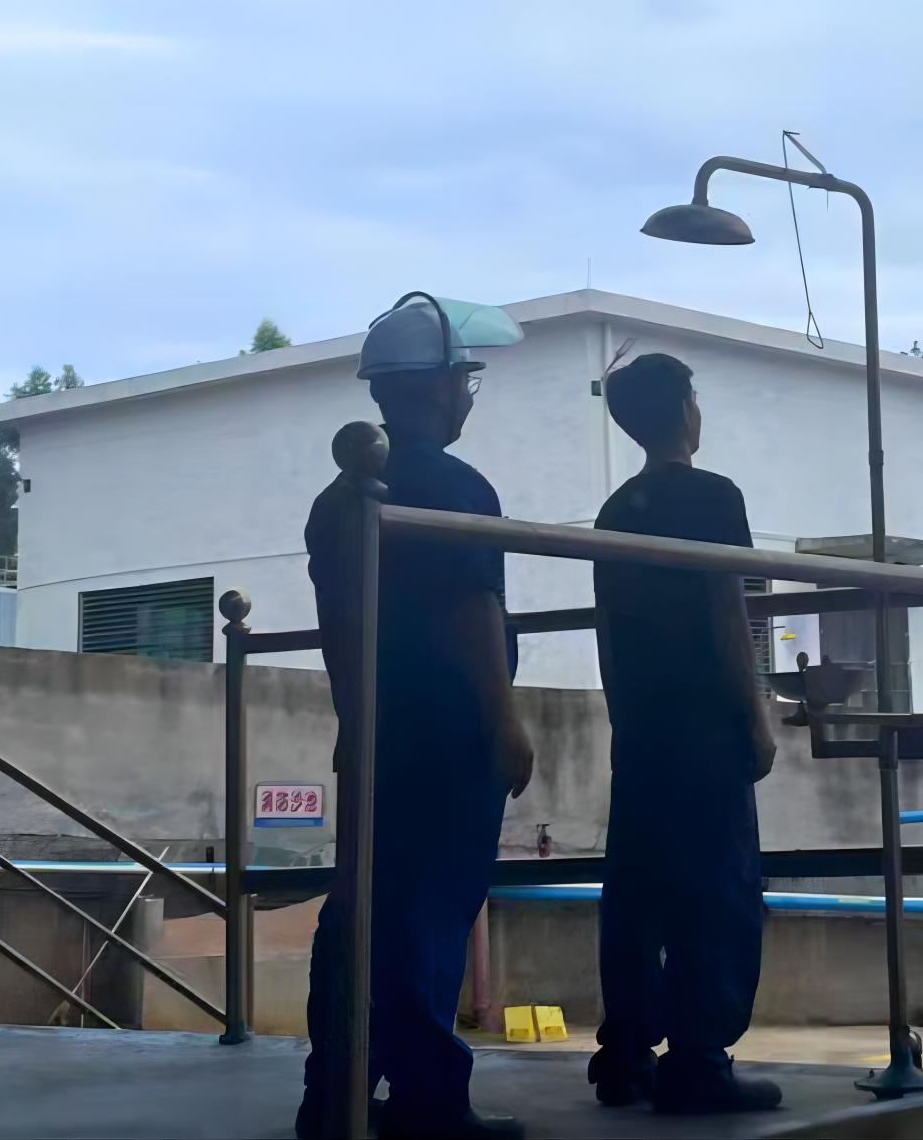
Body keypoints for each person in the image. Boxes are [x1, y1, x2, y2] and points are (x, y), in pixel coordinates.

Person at [296, 294, 535, 1140]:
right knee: (430, 913)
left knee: (361, 911)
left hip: (376, 733)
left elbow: (338, 627)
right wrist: (504, 721)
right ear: (437, 387)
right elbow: (475, 610)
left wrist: (353, 724)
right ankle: (431, 1102)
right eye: (464, 380)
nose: (467, 395)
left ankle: (335, 1092)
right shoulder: (455, 488)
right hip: (448, 733)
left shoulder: (339, 500)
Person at [585, 352, 781, 1115]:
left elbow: (608, 632)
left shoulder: (615, 510)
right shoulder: (713, 497)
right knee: (716, 888)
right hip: (704, 726)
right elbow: (726, 608)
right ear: (685, 410)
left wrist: (621, 719)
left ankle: (626, 1054)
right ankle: (699, 1060)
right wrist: (754, 714)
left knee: (637, 889)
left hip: (642, 726)